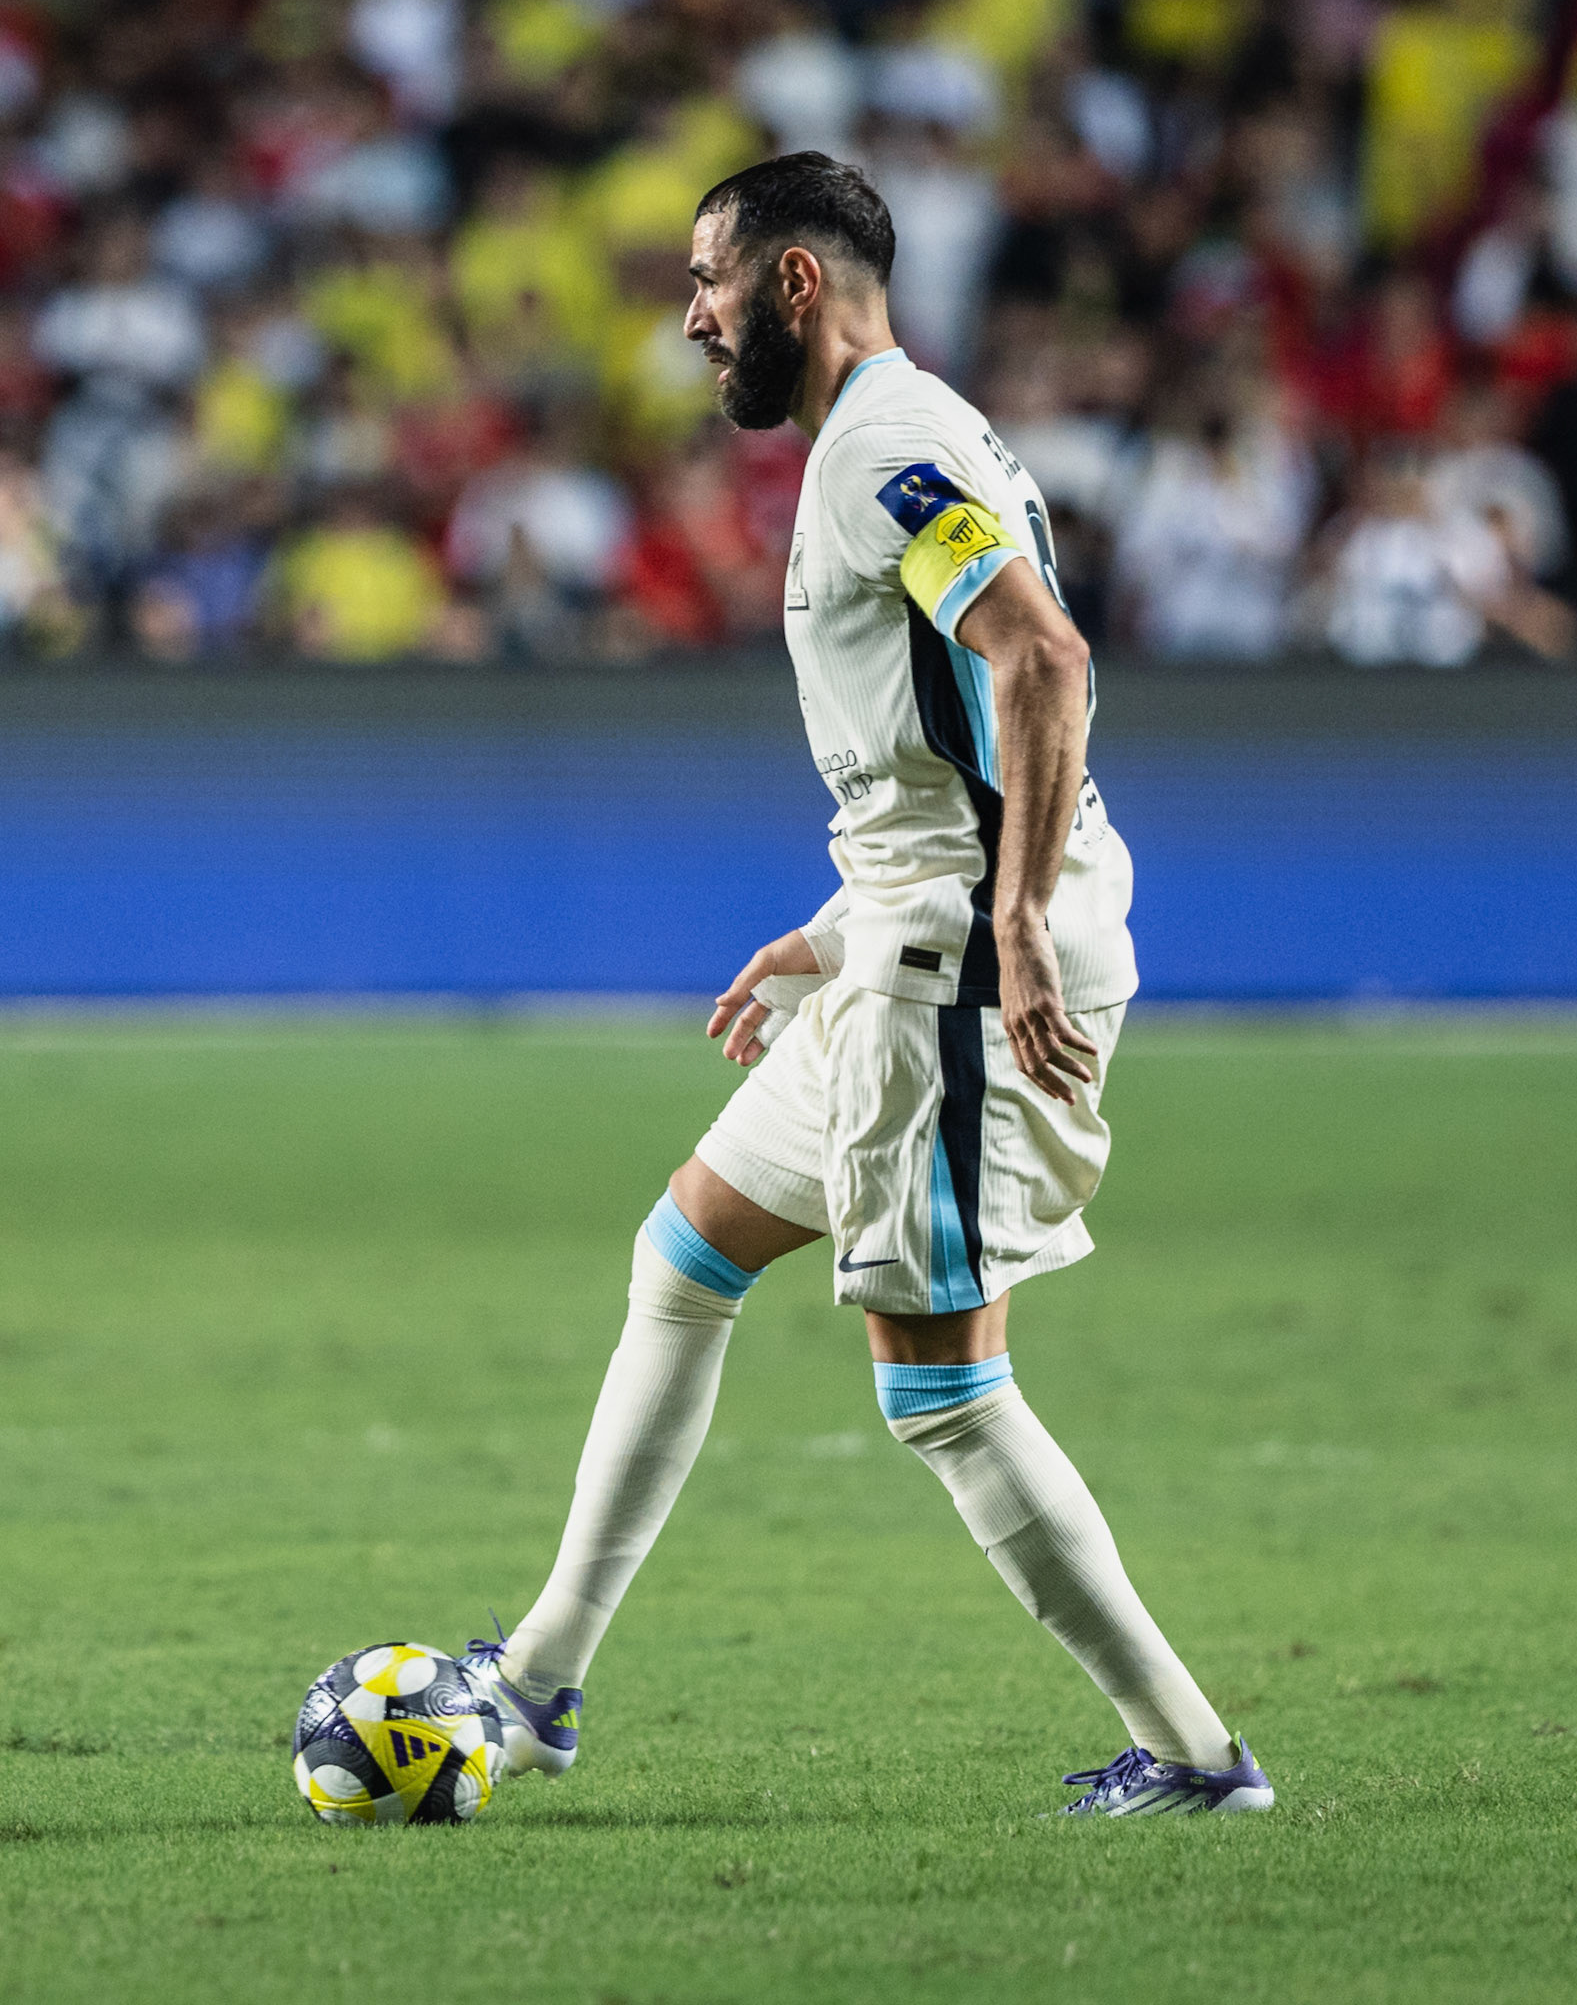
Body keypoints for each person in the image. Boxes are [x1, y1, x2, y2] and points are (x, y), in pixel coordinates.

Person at [463, 152, 1274, 1821]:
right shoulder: (904, 434)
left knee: (943, 1391)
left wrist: (1016, 921)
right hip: (905, 939)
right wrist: (840, 928)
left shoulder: (883, 448)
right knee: (684, 1250)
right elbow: (952, 737)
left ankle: (1197, 1762)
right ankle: (540, 1681)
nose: (688, 317)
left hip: (964, 968)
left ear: (794, 285)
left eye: (707, 279)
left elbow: (1042, 657)